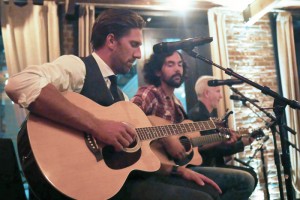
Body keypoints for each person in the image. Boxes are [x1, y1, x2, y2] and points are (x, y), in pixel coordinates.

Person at [5, 9, 222, 200]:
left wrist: (175, 170)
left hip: (111, 182)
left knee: (210, 191)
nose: (138, 54)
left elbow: (140, 158)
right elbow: (20, 83)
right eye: (134, 44)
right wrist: (97, 126)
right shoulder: (78, 67)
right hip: (79, 184)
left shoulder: (120, 97)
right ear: (111, 41)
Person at [131, 51, 255, 200]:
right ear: (157, 71)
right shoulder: (149, 93)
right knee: (239, 182)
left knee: (245, 179)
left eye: (180, 64)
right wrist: (166, 137)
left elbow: (193, 144)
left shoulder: (177, 104)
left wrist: (220, 139)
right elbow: (129, 120)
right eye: (170, 64)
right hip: (154, 170)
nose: (177, 69)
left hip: (179, 166)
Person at [188, 75, 258, 187]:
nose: (221, 96)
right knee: (249, 176)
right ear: (207, 93)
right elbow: (210, 150)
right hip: (205, 168)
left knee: (250, 174)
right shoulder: (198, 116)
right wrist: (242, 143)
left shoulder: (204, 115)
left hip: (211, 165)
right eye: (217, 91)